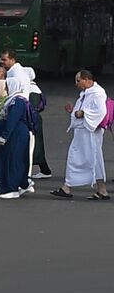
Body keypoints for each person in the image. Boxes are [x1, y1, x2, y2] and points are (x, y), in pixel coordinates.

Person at [51, 70, 109, 201]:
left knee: (80, 158)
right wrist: (73, 111)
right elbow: (83, 110)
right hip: (83, 131)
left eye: (78, 81)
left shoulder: (97, 93)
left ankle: (67, 187)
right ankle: (101, 189)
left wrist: (83, 114)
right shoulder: (86, 93)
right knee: (92, 159)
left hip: (89, 132)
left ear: (87, 79)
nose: (76, 84)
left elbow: (100, 111)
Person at [0, 64, 39, 199]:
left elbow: (12, 120)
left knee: (13, 160)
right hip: (15, 134)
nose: (5, 89)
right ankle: (18, 184)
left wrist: (4, 136)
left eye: (7, 86)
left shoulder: (17, 101)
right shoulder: (12, 99)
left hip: (17, 134)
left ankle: (11, 188)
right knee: (13, 159)